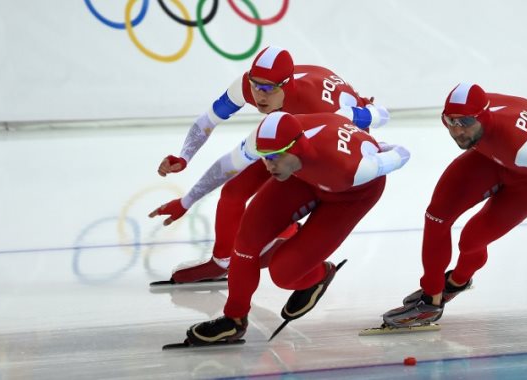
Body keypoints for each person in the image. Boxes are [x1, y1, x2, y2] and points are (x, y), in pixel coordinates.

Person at [149, 111, 410, 344]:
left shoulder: (351, 168)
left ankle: (320, 274)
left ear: (297, 147)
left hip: (349, 196)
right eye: (263, 157)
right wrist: (186, 202)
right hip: (302, 177)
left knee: (284, 275)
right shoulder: (266, 142)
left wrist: (381, 146)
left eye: (275, 158)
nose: (268, 165)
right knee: (246, 242)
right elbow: (225, 168)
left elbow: (401, 155)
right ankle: (233, 321)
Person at [156, 46, 390, 284]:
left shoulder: (324, 108)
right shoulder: (248, 88)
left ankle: (289, 237)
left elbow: (381, 114)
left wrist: (369, 131)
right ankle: (222, 261)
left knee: (287, 191)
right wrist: (184, 157)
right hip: (290, 130)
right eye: (255, 85)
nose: (259, 96)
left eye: (268, 89)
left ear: (286, 86)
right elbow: (208, 120)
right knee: (233, 190)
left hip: (333, 140)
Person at [381, 83, 527, 328]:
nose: (458, 131)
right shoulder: (476, 112)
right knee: (436, 216)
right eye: (451, 121)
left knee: (470, 240)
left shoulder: (526, 149)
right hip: (492, 156)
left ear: (483, 116)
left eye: (466, 123)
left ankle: (458, 281)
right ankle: (430, 301)